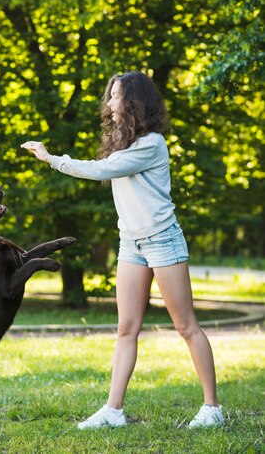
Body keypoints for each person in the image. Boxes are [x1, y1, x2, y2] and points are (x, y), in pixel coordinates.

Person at [21, 70, 223, 430]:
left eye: (115, 96)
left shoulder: (151, 145)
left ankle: (212, 408)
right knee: (126, 328)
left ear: (133, 102)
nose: (109, 103)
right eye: (110, 96)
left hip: (162, 240)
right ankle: (113, 411)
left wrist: (52, 159)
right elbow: (108, 166)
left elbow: (101, 170)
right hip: (131, 243)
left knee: (186, 325)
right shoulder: (125, 144)